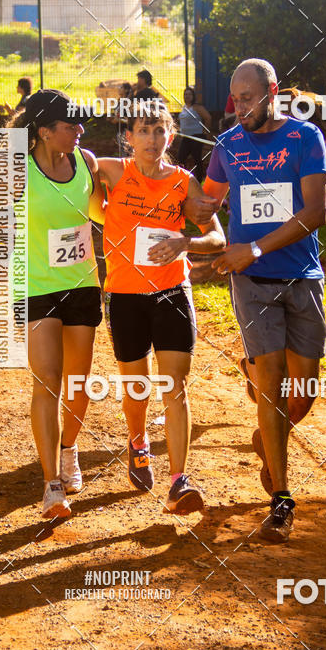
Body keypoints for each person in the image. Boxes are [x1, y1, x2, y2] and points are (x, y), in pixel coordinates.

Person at [203, 58, 326, 544]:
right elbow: (207, 202)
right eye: (235, 98)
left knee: (304, 392)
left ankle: (264, 422)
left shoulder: (304, 138)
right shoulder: (228, 145)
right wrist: (185, 209)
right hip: (252, 282)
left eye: (249, 97)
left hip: (301, 275)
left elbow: (317, 210)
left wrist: (255, 246)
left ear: (272, 92)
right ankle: (282, 499)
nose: (240, 107)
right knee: (274, 389)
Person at [0, 89, 105, 519]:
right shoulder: (17, 171)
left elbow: (99, 214)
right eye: (69, 126)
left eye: (80, 125)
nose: (79, 132)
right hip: (35, 287)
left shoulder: (87, 162)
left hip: (81, 285)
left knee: (78, 384)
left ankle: (69, 448)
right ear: (42, 131)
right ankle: (52, 485)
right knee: (48, 379)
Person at [96, 101, 225, 514]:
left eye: (159, 131)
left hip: (171, 291)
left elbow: (217, 237)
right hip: (125, 295)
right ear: (128, 137)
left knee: (175, 386)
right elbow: (70, 163)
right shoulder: (112, 171)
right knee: (137, 387)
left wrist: (184, 242)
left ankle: (178, 481)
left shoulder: (185, 182)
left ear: (171, 136)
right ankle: (137, 441)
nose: (152, 139)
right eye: (143, 131)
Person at [177, 86, 212, 182]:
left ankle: (199, 180)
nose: (187, 96)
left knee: (197, 158)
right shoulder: (183, 107)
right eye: (185, 94)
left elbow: (208, 118)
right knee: (180, 158)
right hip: (186, 137)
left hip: (196, 137)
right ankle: (182, 179)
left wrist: (206, 130)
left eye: (189, 94)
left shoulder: (197, 107)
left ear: (193, 96)